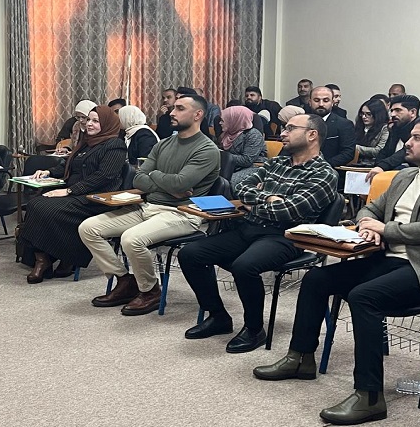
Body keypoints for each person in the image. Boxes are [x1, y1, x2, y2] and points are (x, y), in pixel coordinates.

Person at [253, 116, 420, 426]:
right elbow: (370, 207)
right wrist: (368, 224)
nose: (408, 142)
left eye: (417, 138)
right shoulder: (404, 176)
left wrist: (387, 229)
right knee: (316, 279)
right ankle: (300, 358)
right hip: (389, 259)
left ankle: (369, 397)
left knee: (364, 296)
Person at [178, 114, 337, 353]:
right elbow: (239, 185)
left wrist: (257, 203)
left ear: (312, 134)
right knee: (190, 253)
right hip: (249, 228)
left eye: (290, 128)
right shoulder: (277, 163)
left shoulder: (324, 174)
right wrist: (267, 198)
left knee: (244, 266)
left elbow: (290, 210)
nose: (283, 133)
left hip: (286, 237)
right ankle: (219, 316)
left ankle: (254, 329)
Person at [79, 93, 220, 316]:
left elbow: (182, 182)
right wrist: (165, 181)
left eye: (180, 108)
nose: (172, 113)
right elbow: (138, 179)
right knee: (88, 228)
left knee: (131, 239)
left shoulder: (207, 149)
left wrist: (154, 177)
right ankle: (125, 280)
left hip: (181, 213)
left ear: (198, 115)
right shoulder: (164, 144)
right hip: (149, 207)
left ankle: (150, 290)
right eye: (173, 108)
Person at [18, 106, 127, 283]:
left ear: (106, 124)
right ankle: (44, 258)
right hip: (77, 193)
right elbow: (69, 165)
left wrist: (69, 191)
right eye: (88, 120)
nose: (89, 124)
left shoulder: (115, 145)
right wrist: (49, 172)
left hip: (95, 198)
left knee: (43, 207)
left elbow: (103, 177)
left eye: (95, 121)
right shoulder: (87, 141)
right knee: (36, 204)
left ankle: (50, 259)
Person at [365, 94, 420, 182]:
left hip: (412, 173)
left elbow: (405, 151)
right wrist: (377, 166)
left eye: (398, 110)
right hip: (390, 172)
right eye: (392, 110)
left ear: (413, 112)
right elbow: (385, 151)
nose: (393, 114)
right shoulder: (396, 128)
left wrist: (382, 166)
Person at [306, 86, 355, 168]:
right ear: (310, 102)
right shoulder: (300, 122)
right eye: (316, 100)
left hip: (329, 169)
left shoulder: (344, 124)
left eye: (326, 100)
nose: (321, 104)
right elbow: (289, 148)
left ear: (332, 102)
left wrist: (322, 165)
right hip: (299, 170)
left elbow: (348, 153)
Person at [217, 106, 266, 187]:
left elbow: (247, 160)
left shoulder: (253, 134)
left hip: (253, 167)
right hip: (230, 166)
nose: (220, 123)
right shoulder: (227, 134)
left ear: (234, 120)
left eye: (223, 120)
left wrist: (223, 155)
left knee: (226, 182)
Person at [354, 99, 389, 165]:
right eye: (362, 113)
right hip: (355, 162)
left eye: (368, 114)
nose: (364, 117)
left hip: (373, 164)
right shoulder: (358, 126)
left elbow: (379, 150)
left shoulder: (385, 129)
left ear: (377, 115)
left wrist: (355, 148)